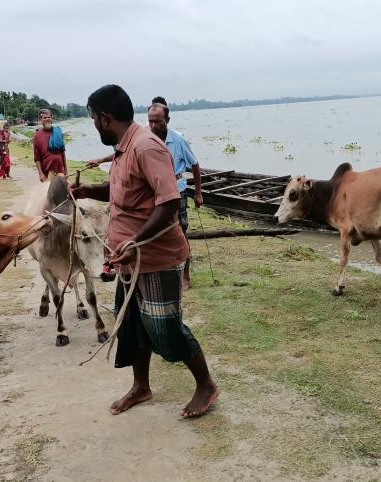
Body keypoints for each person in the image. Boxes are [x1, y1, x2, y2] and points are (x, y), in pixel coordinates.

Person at [70, 84, 218, 418]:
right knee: (133, 324)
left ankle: (206, 384)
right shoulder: (124, 147)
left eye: (94, 119)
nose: (94, 125)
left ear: (105, 118)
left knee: (166, 327)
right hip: (128, 260)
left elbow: (169, 201)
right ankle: (141, 387)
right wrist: (88, 190)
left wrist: (134, 240)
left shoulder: (146, 146)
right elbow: (122, 189)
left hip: (154, 257)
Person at [146, 97, 203, 232]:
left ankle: (185, 251)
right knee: (158, 225)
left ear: (167, 120)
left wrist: (198, 193)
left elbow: (194, 164)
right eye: (150, 121)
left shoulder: (178, 139)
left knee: (181, 225)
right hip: (155, 190)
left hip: (177, 189)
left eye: (158, 121)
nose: (153, 126)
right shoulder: (146, 139)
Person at [33, 109, 67, 182]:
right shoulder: (37, 136)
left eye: (49, 117)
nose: (47, 119)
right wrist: (40, 174)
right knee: (49, 192)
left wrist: (66, 170)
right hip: (47, 171)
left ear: (51, 118)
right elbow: (37, 158)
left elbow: (62, 153)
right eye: (44, 118)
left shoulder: (58, 132)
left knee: (63, 191)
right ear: (40, 119)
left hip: (60, 169)